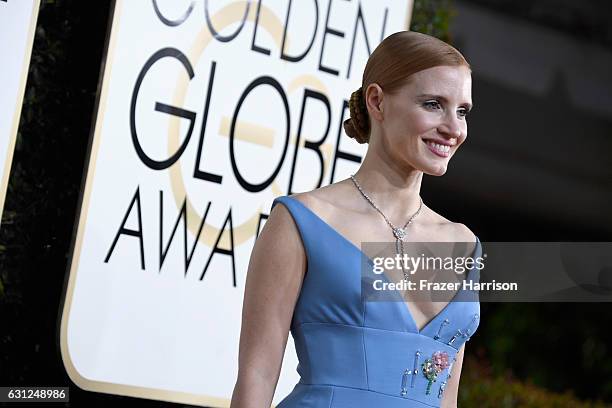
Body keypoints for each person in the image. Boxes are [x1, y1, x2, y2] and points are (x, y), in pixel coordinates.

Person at [230, 30, 481, 408]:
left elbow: (446, 397)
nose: (454, 128)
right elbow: (256, 378)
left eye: (462, 110)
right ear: (377, 101)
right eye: (433, 104)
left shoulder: (463, 244)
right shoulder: (302, 221)